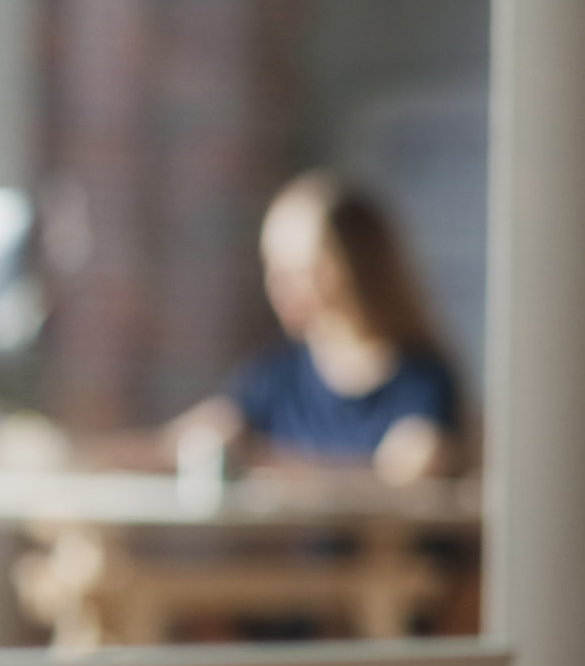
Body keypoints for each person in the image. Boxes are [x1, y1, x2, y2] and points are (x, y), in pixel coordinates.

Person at [174, 171, 462, 484]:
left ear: (351, 272)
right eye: (274, 270)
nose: (277, 287)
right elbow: (195, 436)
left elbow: (408, 474)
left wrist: (258, 464)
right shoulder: (277, 375)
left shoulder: (419, 382)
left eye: (299, 273)